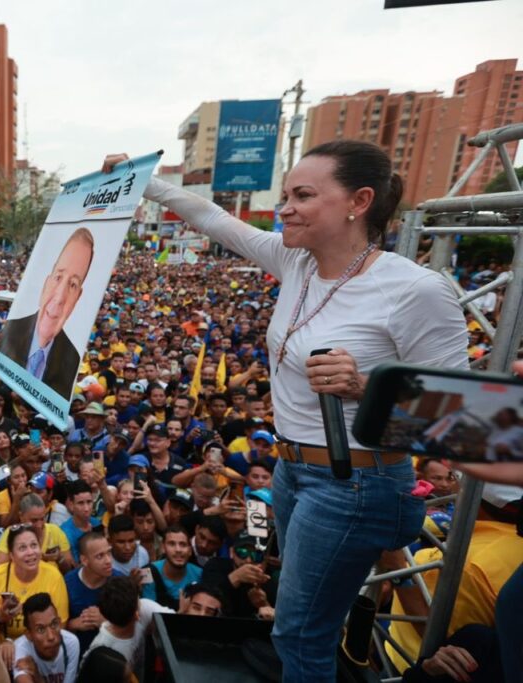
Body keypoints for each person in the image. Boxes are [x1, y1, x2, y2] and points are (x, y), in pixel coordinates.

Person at [113, 138, 469, 681]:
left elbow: (460, 412)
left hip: (355, 483)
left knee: (299, 635)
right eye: (285, 194)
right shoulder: (293, 261)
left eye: (303, 195)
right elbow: (213, 219)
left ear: (359, 201)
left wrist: (366, 385)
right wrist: (146, 182)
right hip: (293, 472)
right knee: (298, 626)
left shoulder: (416, 290)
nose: (285, 208)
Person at [0, 228, 94, 399]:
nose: (59, 298)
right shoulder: (11, 332)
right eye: (58, 277)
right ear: (46, 283)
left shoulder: (72, 360)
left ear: (78, 298)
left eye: (72, 285)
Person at [0, 525, 68, 639]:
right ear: (11, 555)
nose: (30, 552)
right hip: (3, 647)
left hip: (41, 643)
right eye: (22, 548)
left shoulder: (54, 576)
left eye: (34, 545)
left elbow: (61, 624)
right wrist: (0, 616)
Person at [89, 576, 172, 675]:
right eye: (138, 599)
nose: (141, 601)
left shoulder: (141, 610)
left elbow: (172, 620)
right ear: (136, 615)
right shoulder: (103, 651)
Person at [63, 531, 122, 652]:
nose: (108, 561)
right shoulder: (67, 583)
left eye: (109, 553)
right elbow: (56, 627)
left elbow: (132, 626)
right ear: (84, 560)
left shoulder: (121, 583)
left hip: (113, 655)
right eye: (100, 556)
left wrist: (105, 622)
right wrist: (73, 624)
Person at [11, 592, 80, 683]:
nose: (51, 636)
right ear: (29, 634)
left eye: (54, 624)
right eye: (40, 629)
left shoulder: (71, 643)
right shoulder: (21, 647)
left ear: (60, 622)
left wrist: (37, 677)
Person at [142, 526, 203, 608]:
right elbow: (147, 611)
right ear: (163, 548)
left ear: (190, 551)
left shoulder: (200, 574)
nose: (178, 550)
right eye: (172, 544)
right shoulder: (147, 571)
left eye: (183, 545)